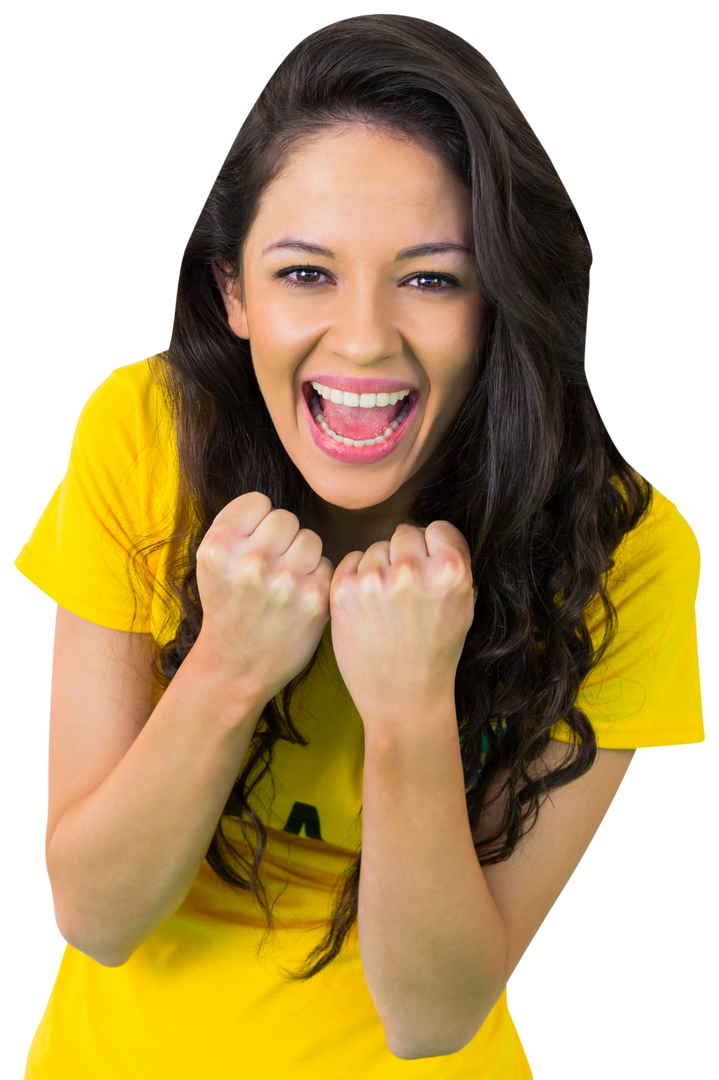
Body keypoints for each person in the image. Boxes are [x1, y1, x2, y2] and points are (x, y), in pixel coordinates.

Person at [12, 12, 705, 1078]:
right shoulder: (142, 433)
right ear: (231, 293)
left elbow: (432, 1015)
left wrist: (409, 703)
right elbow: (95, 915)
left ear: (496, 300)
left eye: (430, 278)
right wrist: (230, 665)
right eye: (304, 274)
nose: (365, 337)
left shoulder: (626, 547)